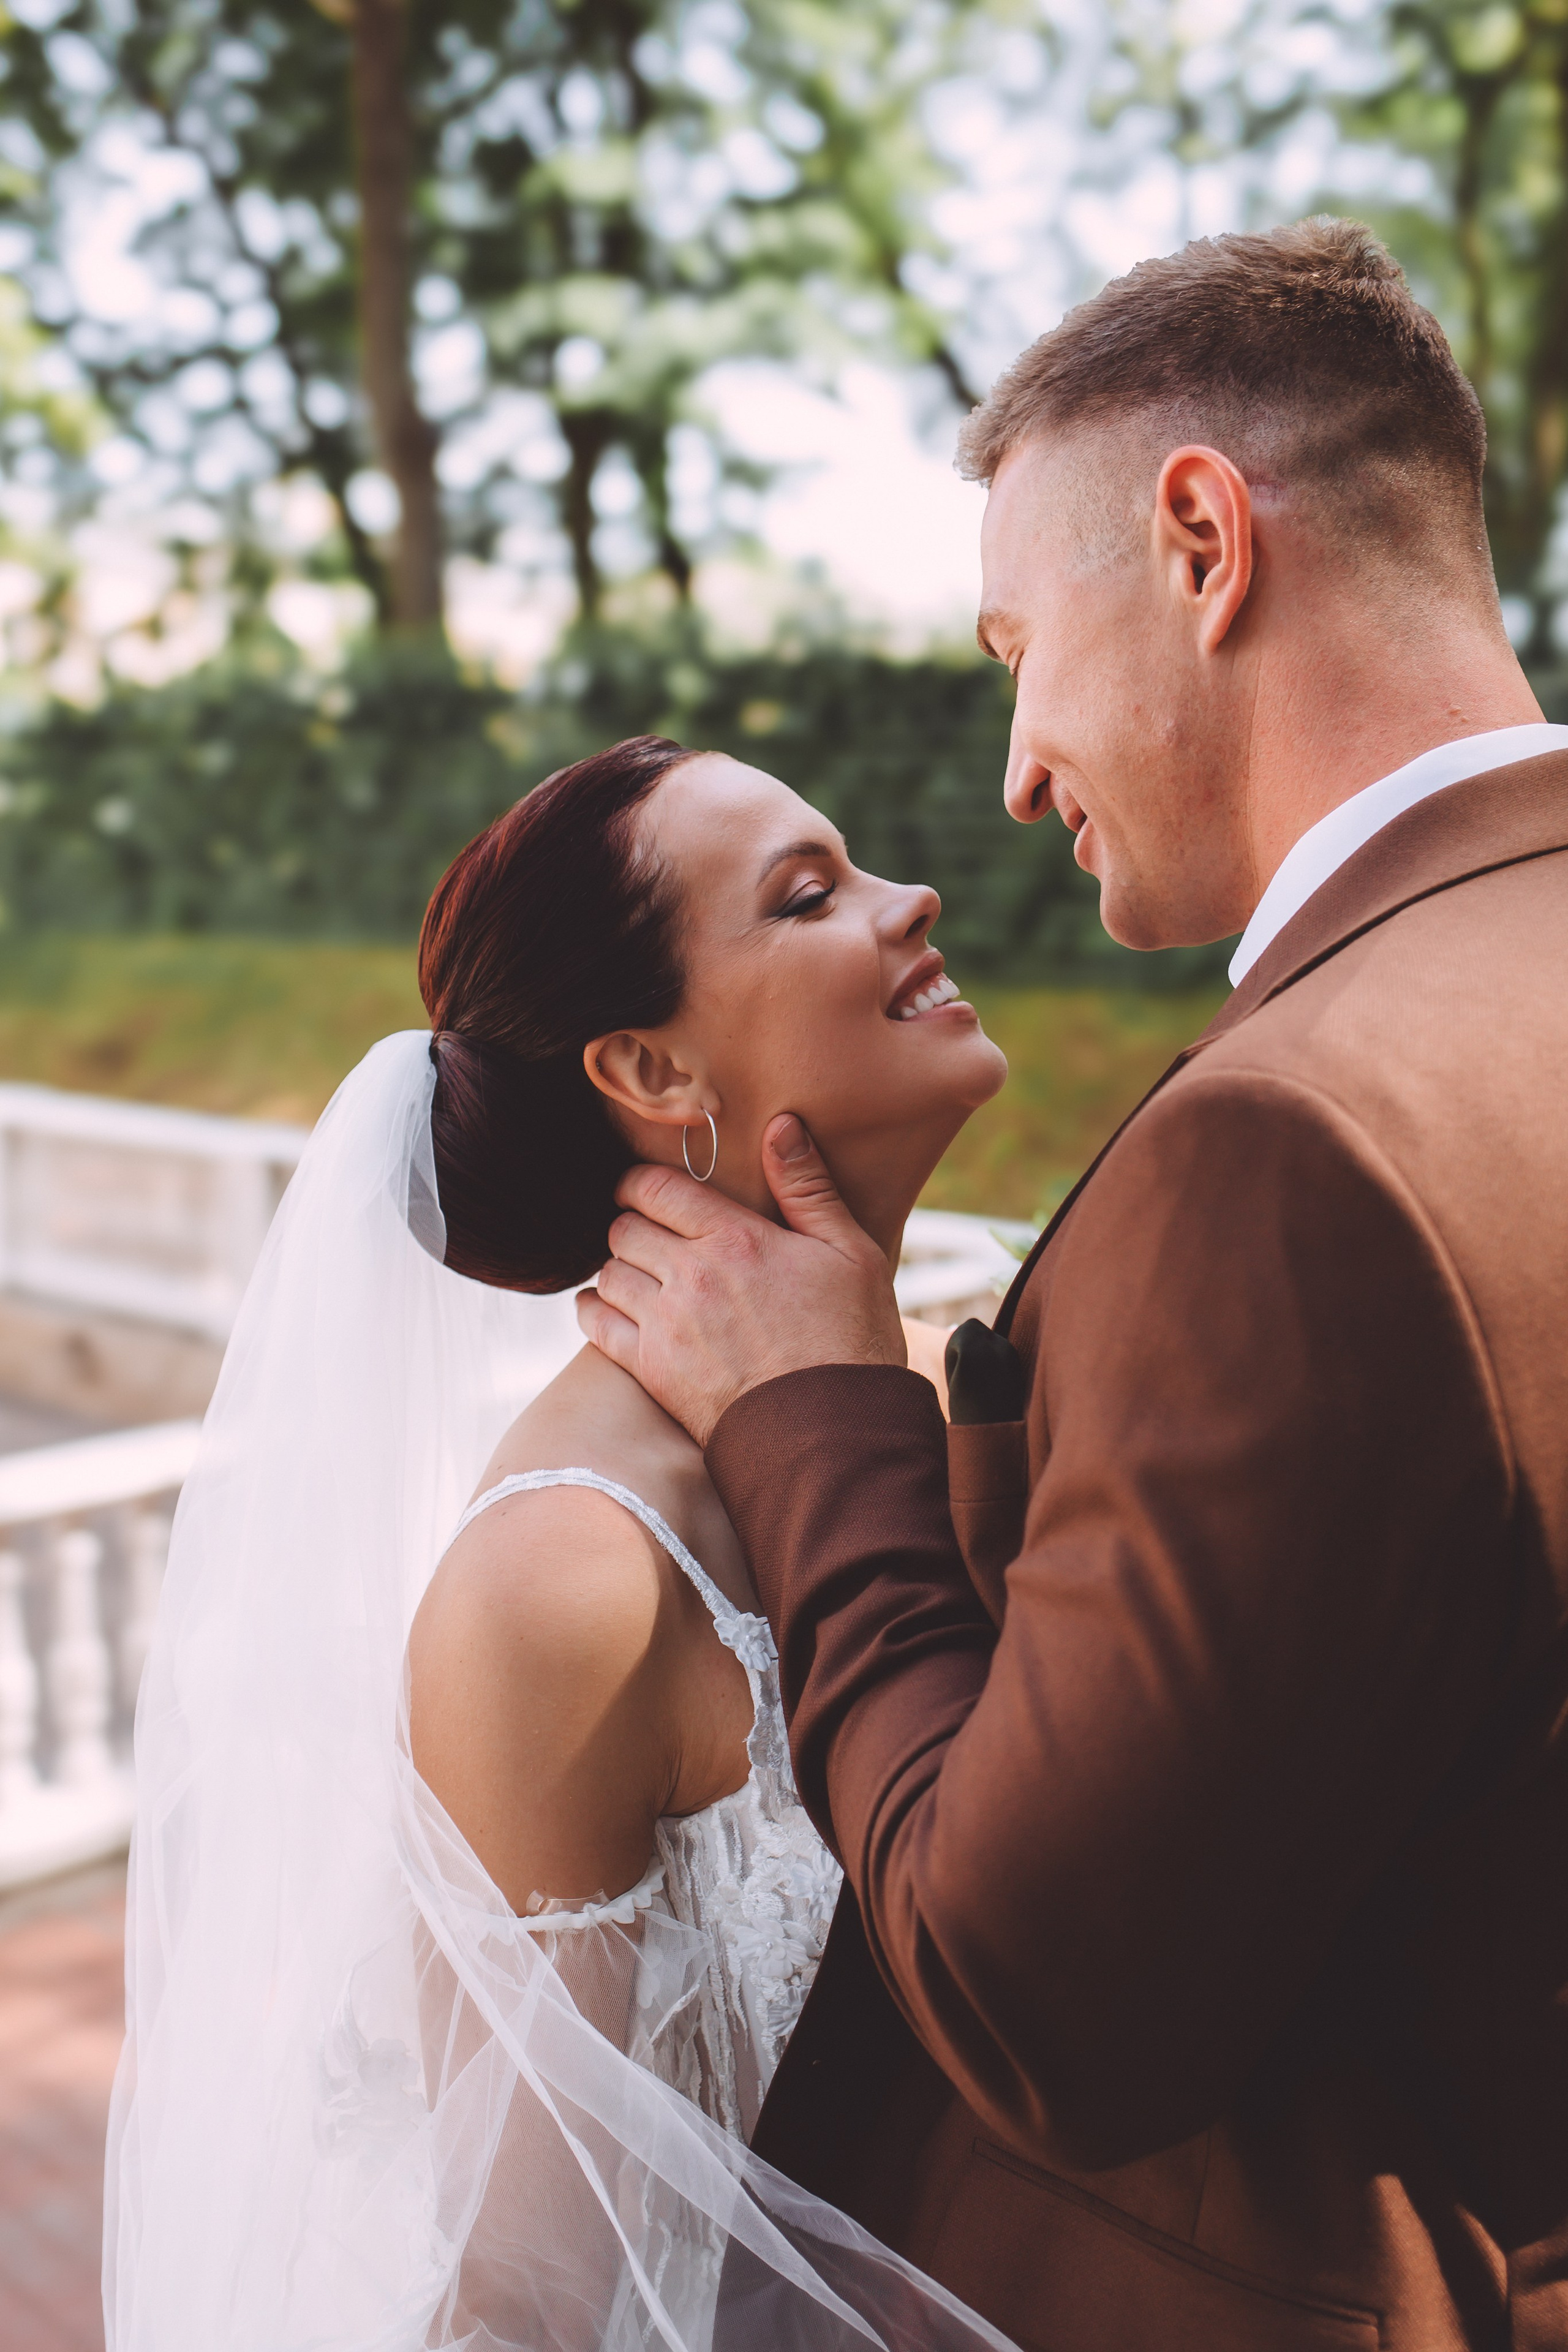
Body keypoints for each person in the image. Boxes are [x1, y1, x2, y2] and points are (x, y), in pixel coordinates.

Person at [579, 219, 1568, 2350]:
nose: (1017, 772)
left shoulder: (1295, 1146)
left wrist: (816, 1420)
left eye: (1019, 642)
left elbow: (1050, 2011)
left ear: (1204, 541)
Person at [104, 734, 1017, 2352]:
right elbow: (527, 2294)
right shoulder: (568, 1581)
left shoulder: (964, 1388)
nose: (910, 898)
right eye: (812, 896)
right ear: (655, 1077)